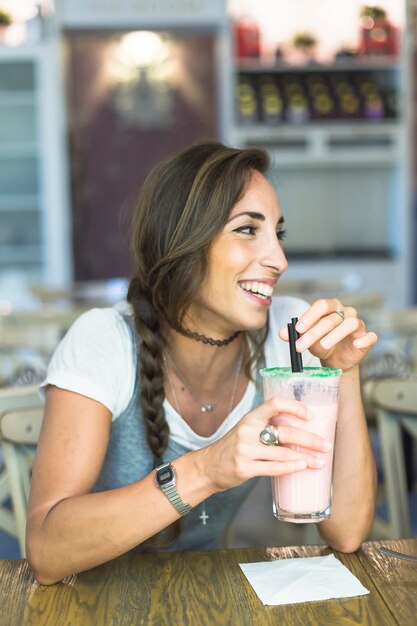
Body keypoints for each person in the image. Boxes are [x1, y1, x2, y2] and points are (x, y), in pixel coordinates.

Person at [26, 142, 377, 585]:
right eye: (247, 230)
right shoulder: (104, 340)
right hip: (91, 600)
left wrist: (343, 371)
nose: (279, 260)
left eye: (277, 234)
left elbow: (345, 531)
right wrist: (207, 469)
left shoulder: (291, 332)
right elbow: (45, 552)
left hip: (208, 592)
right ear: (183, 242)